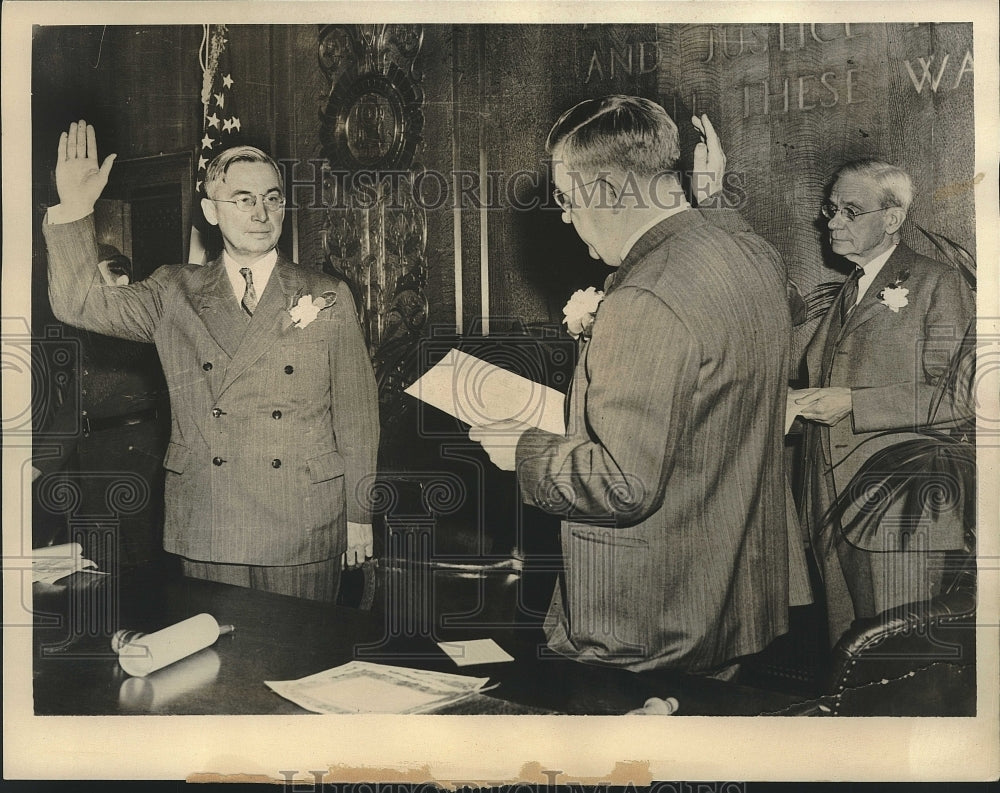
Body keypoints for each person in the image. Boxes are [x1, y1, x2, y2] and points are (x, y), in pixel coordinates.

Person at [470, 96, 809, 676]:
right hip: (731, 599)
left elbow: (623, 485)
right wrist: (713, 200)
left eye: (567, 199)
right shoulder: (754, 259)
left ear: (604, 192)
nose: (565, 218)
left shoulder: (643, 298)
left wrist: (520, 448)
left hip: (648, 618)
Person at [43, 120, 380, 601]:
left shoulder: (325, 294)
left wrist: (359, 514)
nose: (262, 213)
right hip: (210, 518)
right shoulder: (173, 291)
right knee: (218, 668)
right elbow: (78, 302)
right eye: (244, 199)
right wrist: (76, 209)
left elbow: (358, 414)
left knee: (303, 663)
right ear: (211, 211)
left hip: (304, 518)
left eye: (273, 198)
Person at [795, 160, 975, 645]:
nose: (832, 222)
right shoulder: (852, 288)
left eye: (850, 211)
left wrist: (855, 403)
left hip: (900, 512)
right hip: (830, 505)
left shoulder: (937, 282)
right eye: (832, 209)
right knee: (848, 662)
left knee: (898, 667)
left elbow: (962, 396)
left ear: (892, 219)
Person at [32, 246, 170, 573]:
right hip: (94, 457)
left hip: (139, 457)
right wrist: (36, 467)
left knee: (140, 561)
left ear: (121, 279)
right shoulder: (84, 328)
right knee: (98, 559)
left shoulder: (142, 323)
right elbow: (74, 409)